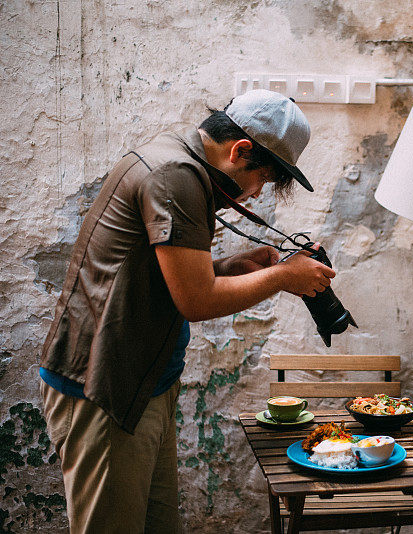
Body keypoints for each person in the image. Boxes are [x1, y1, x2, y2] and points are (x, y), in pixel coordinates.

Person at [38, 90, 333, 533]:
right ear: (241, 151)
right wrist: (282, 277)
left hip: (142, 381)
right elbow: (196, 301)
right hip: (105, 387)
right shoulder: (176, 175)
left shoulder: (175, 158)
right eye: (265, 180)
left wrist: (226, 267)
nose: (256, 195)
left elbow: (162, 276)